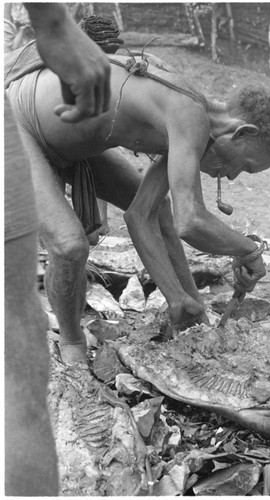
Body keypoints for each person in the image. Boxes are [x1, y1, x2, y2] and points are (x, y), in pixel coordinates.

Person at [6, 39, 270, 367]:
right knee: (70, 245)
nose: (232, 177)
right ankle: (72, 342)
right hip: (18, 126)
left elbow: (142, 214)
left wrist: (186, 304)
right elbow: (190, 220)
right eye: (245, 166)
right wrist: (249, 249)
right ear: (242, 133)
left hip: (70, 144)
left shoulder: (193, 123)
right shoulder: (189, 115)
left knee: (158, 211)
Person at [5, 3, 111, 495]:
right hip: (19, 106)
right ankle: (69, 341)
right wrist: (51, 22)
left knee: (19, 333)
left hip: (42, 112)